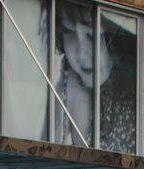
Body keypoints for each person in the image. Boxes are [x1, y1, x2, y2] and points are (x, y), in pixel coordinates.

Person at [52, 2, 137, 152]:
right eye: (68, 30)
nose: (82, 54)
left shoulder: (139, 94)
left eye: (92, 35)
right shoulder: (68, 84)